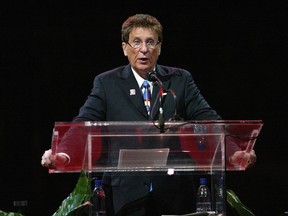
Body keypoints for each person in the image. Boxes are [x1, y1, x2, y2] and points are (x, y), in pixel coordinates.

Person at [41, 14, 257, 215]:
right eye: (136, 42)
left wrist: (235, 152)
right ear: (125, 48)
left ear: (159, 47)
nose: (144, 49)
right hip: (124, 195)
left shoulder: (180, 80)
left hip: (174, 194)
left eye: (151, 42)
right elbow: (83, 123)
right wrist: (63, 153)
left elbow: (209, 119)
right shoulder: (107, 83)